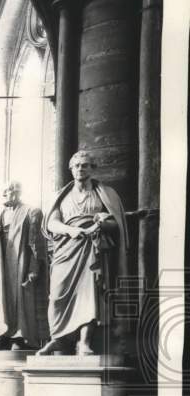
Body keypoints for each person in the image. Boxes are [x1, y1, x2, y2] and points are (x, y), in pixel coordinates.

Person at [37, 150, 129, 356]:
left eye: (85, 165)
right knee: (57, 294)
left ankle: (84, 342)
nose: (80, 169)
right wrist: (72, 230)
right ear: (71, 169)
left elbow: (117, 225)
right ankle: (58, 339)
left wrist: (102, 223)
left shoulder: (105, 194)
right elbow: (52, 223)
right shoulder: (62, 196)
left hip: (93, 249)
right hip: (66, 250)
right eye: (77, 165)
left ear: (93, 168)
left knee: (90, 295)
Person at [0, 181, 49, 351]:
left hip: (20, 260)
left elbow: (37, 243)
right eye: (8, 191)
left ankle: (19, 336)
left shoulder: (32, 211)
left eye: (15, 191)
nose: (11, 194)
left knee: (20, 297)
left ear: (20, 192)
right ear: (3, 194)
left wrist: (34, 268)